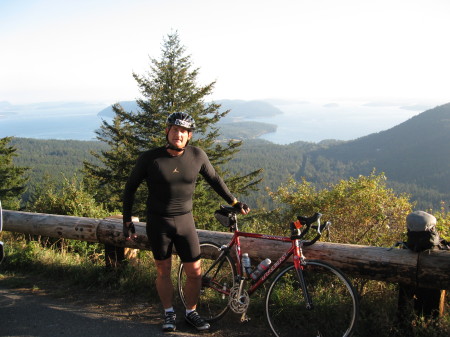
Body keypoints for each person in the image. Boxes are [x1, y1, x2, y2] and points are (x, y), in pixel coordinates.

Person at [122, 112, 250, 332]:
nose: (178, 134)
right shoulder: (150, 158)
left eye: (183, 131)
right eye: (174, 130)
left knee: (195, 272)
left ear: (189, 135)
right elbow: (130, 188)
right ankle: (169, 313)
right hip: (158, 223)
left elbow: (215, 180)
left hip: (185, 222)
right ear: (167, 131)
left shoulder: (197, 155)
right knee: (163, 271)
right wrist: (127, 220)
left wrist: (235, 202)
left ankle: (191, 312)